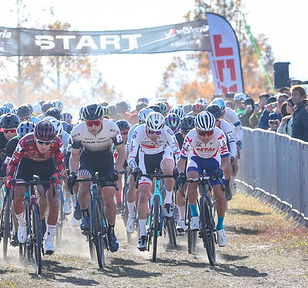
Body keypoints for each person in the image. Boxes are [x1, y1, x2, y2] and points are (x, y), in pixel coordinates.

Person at [67, 103, 126, 253]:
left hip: (106, 161)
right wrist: (73, 173)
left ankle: (111, 232)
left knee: (108, 198)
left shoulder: (112, 128)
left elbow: (121, 152)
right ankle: (85, 215)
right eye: (89, 123)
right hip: (87, 160)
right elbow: (74, 156)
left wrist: (116, 171)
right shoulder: (77, 131)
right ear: (84, 121)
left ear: (102, 120)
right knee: (83, 183)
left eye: (96, 123)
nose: (93, 126)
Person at [5, 120, 65, 254]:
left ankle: (49, 239)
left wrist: (56, 175)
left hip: (46, 166)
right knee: (18, 194)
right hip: (26, 165)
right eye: (41, 142)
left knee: (53, 198)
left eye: (47, 143)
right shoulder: (25, 141)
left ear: (52, 140)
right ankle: (22, 224)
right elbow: (13, 162)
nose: (44, 146)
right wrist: (9, 178)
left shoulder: (57, 142)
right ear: (35, 138)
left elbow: (61, 164)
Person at [177, 111, 232, 247]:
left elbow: (226, 159)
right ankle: (195, 216)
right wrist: (181, 174)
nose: (206, 136)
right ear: (196, 130)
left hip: (213, 160)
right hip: (196, 159)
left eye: (209, 133)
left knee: (220, 195)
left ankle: (220, 228)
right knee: (192, 180)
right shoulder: (190, 136)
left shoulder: (220, 135)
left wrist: (221, 169)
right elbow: (182, 160)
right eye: (202, 133)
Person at [125, 111, 180, 251]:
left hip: (163, 154)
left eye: (158, 132)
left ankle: (168, 202)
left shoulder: (167, 131)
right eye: (151, 132)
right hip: (145, 158)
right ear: (146, 127)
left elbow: (177, 151)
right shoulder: (138, 131)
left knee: (169, 169)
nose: (155, 135)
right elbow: (131, 156)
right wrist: (135, 168)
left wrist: (178, 168)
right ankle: (143, 234)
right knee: (143, 195)